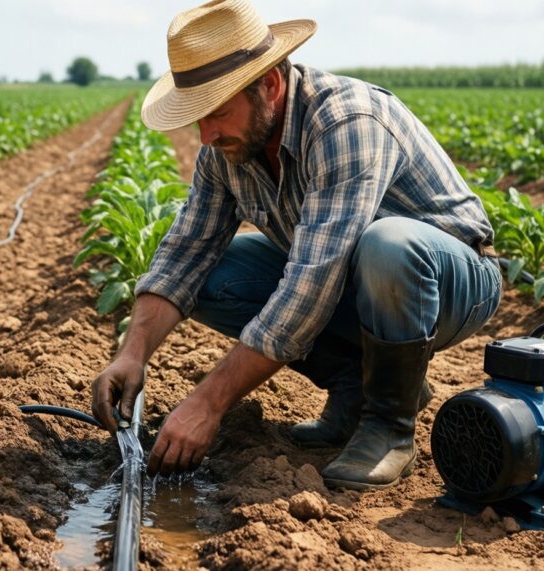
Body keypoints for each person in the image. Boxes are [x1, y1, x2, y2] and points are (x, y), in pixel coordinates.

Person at [90, 0, 502, 491]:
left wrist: (208, 402)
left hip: (448, 281)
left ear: (269, 84)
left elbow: (312, 282)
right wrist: (131, 352)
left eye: (217, 113)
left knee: (388, 244)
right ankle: (354, 389)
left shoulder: (346, 122)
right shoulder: (227, 149)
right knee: (212, 275)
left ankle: (389, 427)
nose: (206, 134)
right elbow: (185, 253)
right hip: (352, 282)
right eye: (197, 118)